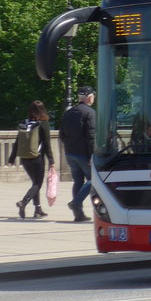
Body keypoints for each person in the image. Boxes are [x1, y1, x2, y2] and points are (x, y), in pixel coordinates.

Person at [8, 101, 55, 218]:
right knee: (37, 184)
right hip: (36, 158)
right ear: (43, 110)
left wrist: (12, 157)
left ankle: (38, 209)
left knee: (35, 183)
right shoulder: (43, 124)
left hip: (24, 158)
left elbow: (17, 141)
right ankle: (23, 202)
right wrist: (51, 161)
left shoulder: (24, 122)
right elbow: (47, 144)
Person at [61, 86, 96, 223]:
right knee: (93, 180)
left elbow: (62, 134)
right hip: (83, 153)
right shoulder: (90, 113)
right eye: (93, 96)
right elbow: (91, 136)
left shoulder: (68, 113)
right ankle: (76, 202)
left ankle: (78, 214)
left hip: (70, 152)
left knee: (77, 181)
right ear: (89, 97)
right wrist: (92, 155)